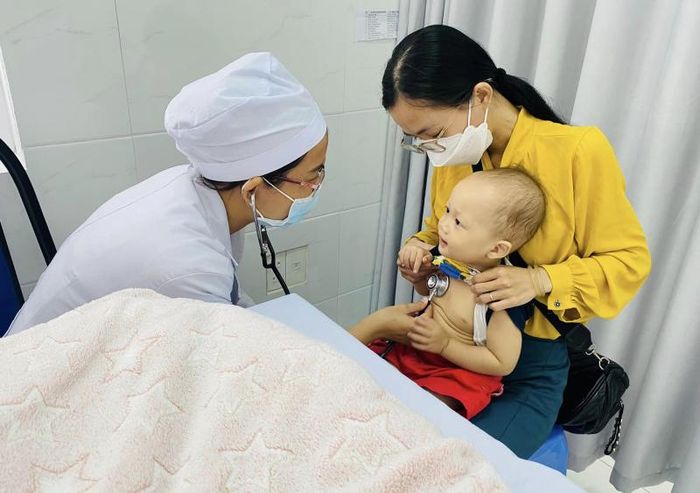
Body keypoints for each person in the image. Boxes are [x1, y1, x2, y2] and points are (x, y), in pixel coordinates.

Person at [363, 25, 652, 458]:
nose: (430, 147)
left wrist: (539, 280)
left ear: (480, 96)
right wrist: (420, 251)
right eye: (417, 140)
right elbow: (436, 230)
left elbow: (628, 261)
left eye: (432, 132)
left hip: (528, 366)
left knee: (451, 467)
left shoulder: (576, 152)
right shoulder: (458, 154)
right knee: (376, 431)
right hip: (446, 347)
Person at [7, 52, 327, 336]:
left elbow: (228, 304)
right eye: (314, 174)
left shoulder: (201, 192)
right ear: (253, 189)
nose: (318, 185)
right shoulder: (188, 266)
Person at [367, 169, 545, 420]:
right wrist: (417, 269)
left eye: (458, 222)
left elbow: (501, 362)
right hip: (419, 350)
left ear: (496, 249)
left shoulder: (500, 295)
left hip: (459, 371)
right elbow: (428, 290)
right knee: (369, 371)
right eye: (448, 210)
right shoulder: (448, 259)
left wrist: (446, 345)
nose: (443, 224)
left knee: (422, 411)